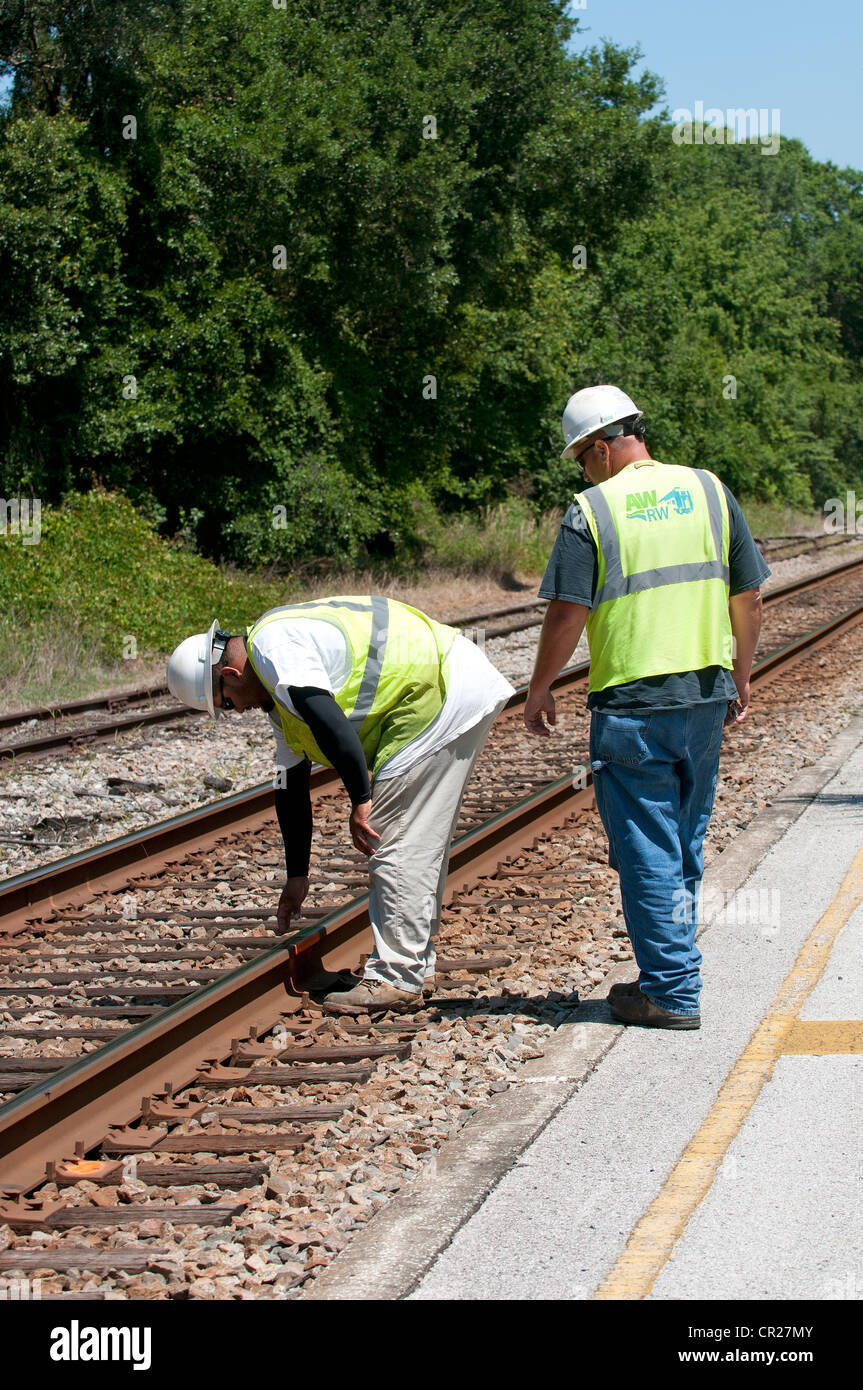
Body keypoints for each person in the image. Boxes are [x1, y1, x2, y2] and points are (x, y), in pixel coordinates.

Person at [524, 385, 769, 1030]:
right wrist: (742, 673)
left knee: (646, 850)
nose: (582, 469)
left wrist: (541, 686)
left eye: (581, 457)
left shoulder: (592, 511)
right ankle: (672, 970)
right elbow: (749, 599)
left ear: (603, 448)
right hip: (705, 696)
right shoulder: (711, 492)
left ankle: (671, 990)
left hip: (633, 704)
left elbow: (567, 613)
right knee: (683, 839)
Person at [167, 597, 514, 1013]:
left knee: (392, 841)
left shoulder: (275, 647)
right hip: (441, 687)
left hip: (435, 690)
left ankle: (396, 978)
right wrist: (297, 876)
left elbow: (327, 716)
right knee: (413, 842)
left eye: (226, 703)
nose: (236, 711)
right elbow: (290, 787)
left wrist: (361, 799)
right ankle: (412, 967)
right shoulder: (279, 698)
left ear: (230, 673)